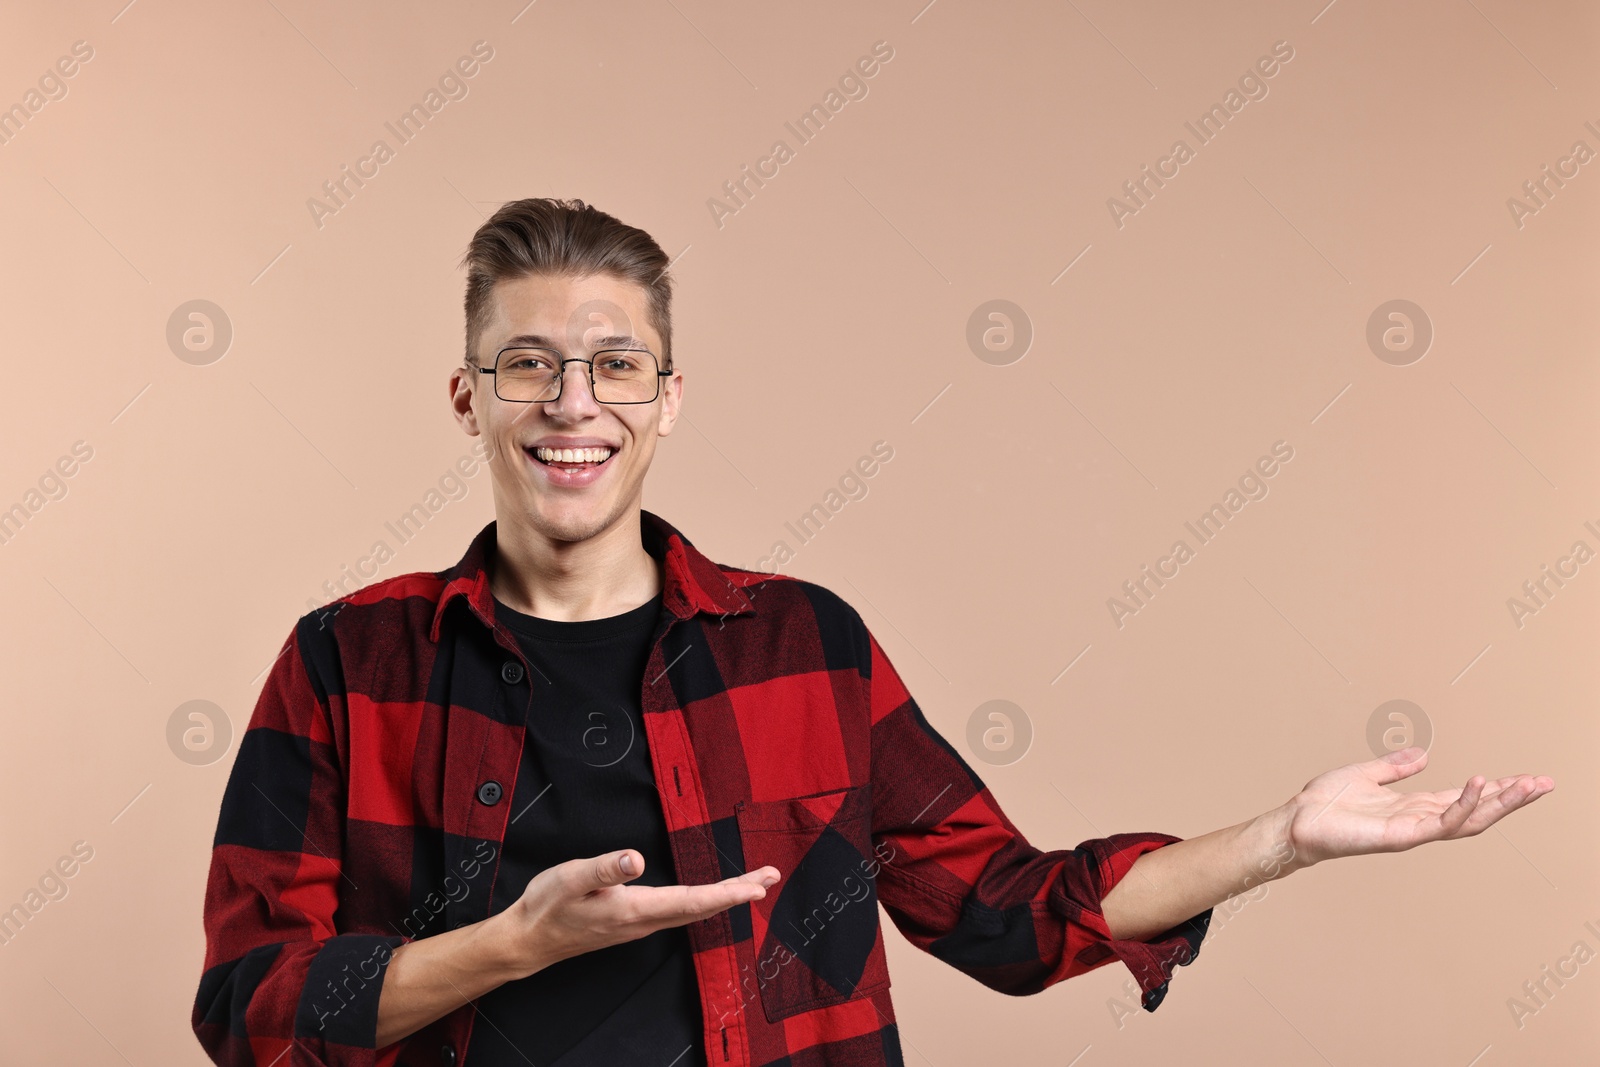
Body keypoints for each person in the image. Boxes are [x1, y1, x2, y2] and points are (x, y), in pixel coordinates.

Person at [191, 198, 1554, 1067]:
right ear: (468, 397)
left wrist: (1280, 841)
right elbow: (248, 1010)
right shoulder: (345, 663)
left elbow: (1009, 914)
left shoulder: (805, 649)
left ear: (667, 399)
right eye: (527, 365)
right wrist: (516, 943)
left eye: (615, 365)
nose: (572, 403)